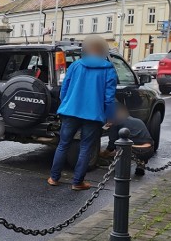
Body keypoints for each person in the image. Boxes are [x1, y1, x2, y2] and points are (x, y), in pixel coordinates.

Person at [48, 36, 118, 190]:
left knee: (63, 144)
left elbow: (64, 88)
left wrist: (65, 103)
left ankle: (54, 178)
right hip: (93, 115)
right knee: (86, 147)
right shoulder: (108, 69)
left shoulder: (76, 65)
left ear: (86, 49)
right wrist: (110, 115)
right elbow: (109, 97)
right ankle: (77, 182)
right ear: (102, 51)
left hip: (70, 111)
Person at [99, 104, 154, 176]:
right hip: (149, 150)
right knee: (139, 142)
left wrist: (103, 154)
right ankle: (141, 164)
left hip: (132, 150)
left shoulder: (116, 123)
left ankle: (120, 167)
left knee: (120, 146)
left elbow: (111, 145)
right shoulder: (138, 120)